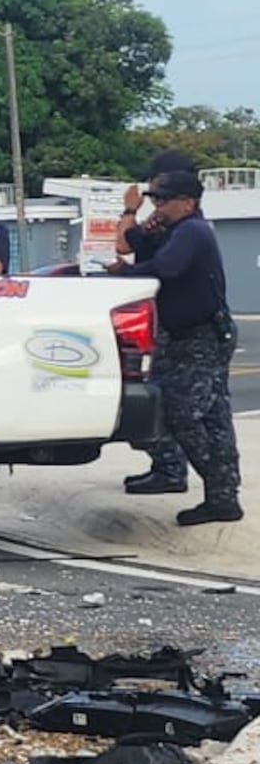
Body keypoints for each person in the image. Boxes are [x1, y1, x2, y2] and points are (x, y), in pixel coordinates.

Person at [119, 169, 242, 526]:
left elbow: (164, 268)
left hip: (201, 336)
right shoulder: (175, 230)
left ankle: (218, 487)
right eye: (154, 199)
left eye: (163, 200)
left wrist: (120, 275)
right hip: (192, 335)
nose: (157, 205)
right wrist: (140, 220)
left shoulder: (192, 231)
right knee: (214, 417)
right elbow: (132, 244)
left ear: (188, 202)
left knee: (182, 414)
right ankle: (222, 497)